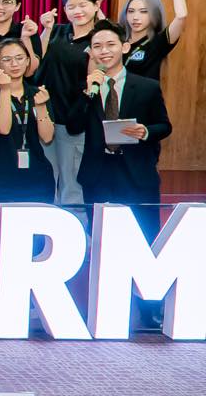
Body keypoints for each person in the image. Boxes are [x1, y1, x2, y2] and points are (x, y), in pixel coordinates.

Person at [70, 19, 172, 328]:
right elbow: (73, 125)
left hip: (136, 176)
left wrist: (145, 131)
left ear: (124, 47)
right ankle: (107, 305)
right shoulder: (86, 87)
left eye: (110, 44)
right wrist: (88, 92)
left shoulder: (146, 86)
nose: (104, 51)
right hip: (98, 175)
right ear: (91, 52)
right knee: (104, 243)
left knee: (144, 240)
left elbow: (164, 125)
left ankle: (148, 309)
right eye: (97, 46)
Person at [34, 0, 102, 207]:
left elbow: (96, 83)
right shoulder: (57, 31)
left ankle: (76, 225)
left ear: (96, 6)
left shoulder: (98, 40)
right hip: (46, 117)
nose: (77, 11)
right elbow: (36, 61)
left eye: (83, 5)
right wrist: (46, 29)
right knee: (45, 179)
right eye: (71, 7)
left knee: (71, 183)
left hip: (74, 121)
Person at [0, 39, 56, 204]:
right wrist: (5, 90)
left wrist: (40, 107)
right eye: (7, 59)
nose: (14, 64)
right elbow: (3, 128)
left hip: (36, 178)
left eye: (19, 58)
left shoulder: (38, 93)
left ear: (27, 61)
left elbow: (47, 137)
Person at [101, 0, 188, 81]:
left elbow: (181, 16)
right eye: (131, 11)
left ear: (153, 14)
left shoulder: (158, 42)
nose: (135, 17)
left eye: (143, 12)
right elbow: (93, 5)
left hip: (143, 92)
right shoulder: (117, 35)